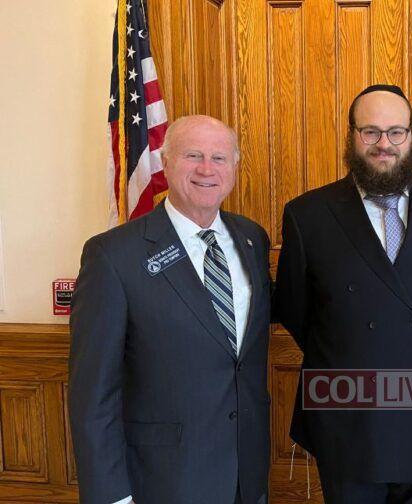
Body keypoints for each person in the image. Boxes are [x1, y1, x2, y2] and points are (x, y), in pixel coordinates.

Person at [276, 84, 412, 504]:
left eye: (396, 132)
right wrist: (353, 350)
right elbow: (294, 309)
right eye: (371, 132)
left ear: (411, 136)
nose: (384, 144)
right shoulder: (307, 214)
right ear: (352, 136)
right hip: (345, 409)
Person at [69, 115, 272, 504]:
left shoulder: (252, 239)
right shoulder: (113, 255)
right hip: (163, 480)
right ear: (165, 162)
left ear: (234, 167)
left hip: (247, 475)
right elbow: (93, 393)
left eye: (219, 158)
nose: (206, 169)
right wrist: (111, 496)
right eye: (192, 155)